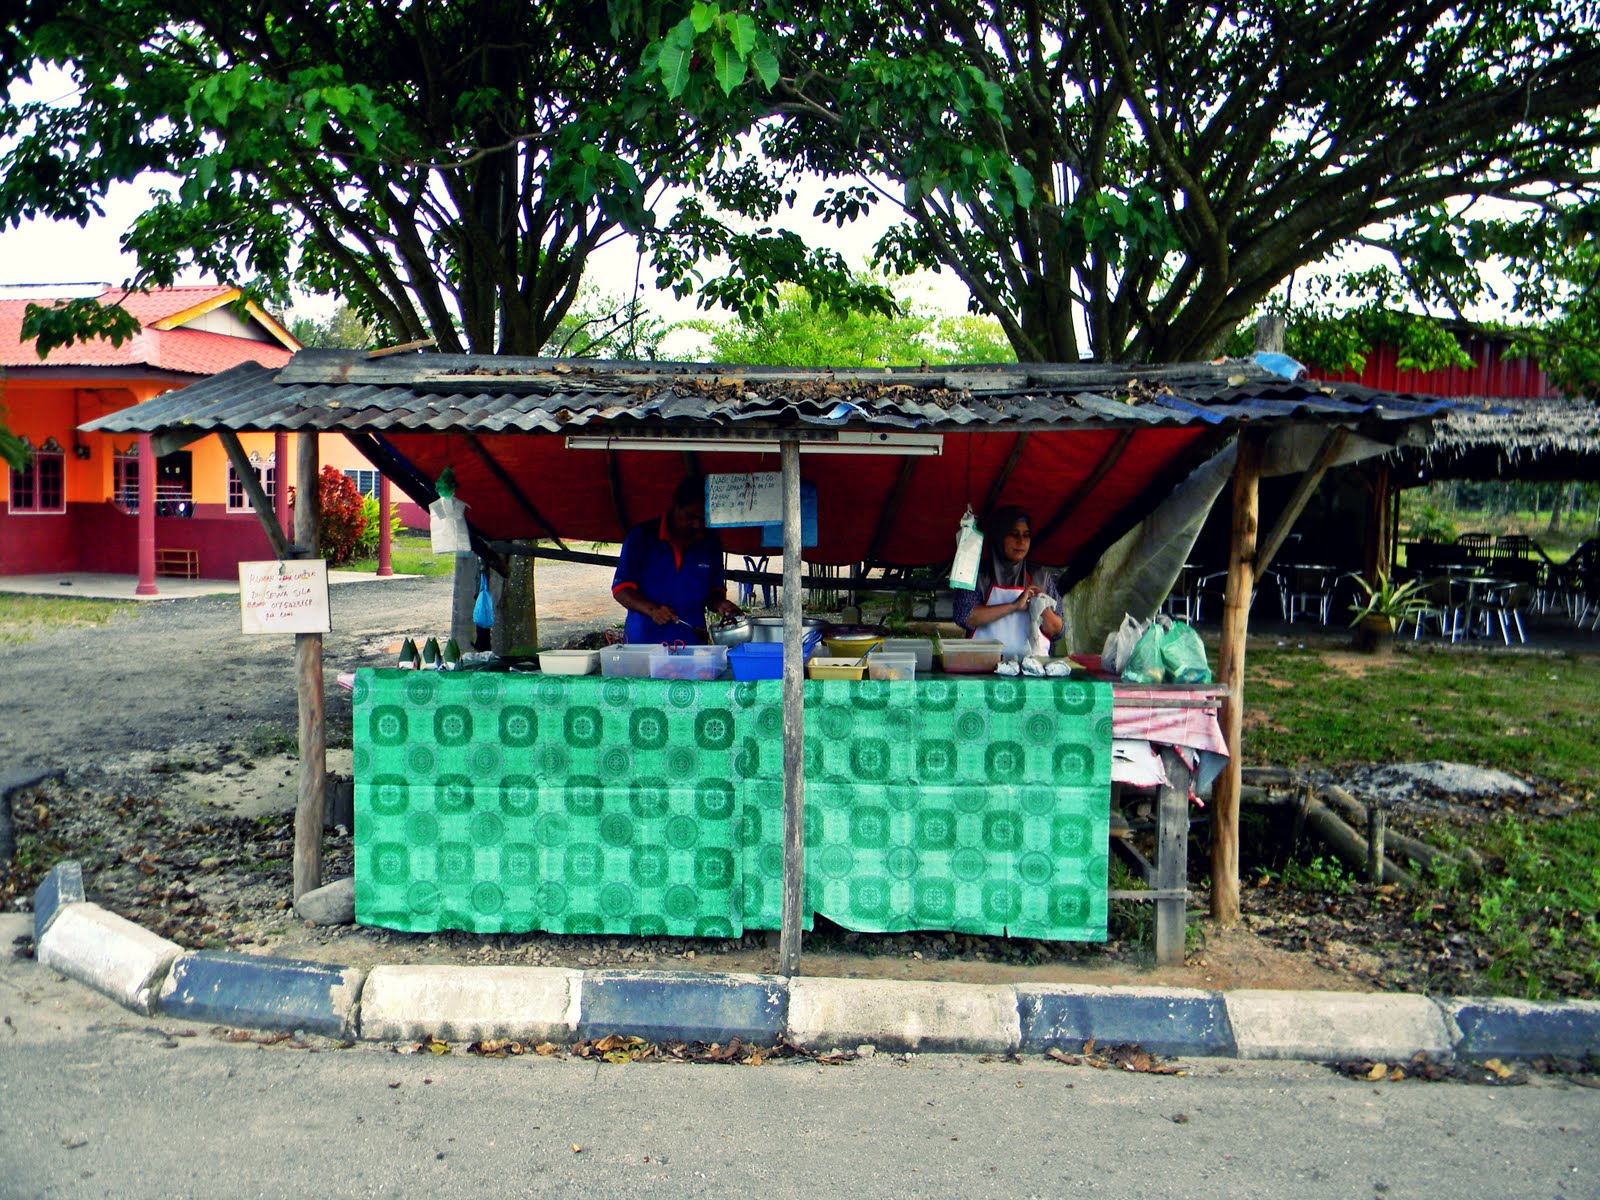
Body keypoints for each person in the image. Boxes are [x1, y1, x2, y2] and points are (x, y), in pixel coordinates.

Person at [612, 475, 743, 644]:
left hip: (692, 639)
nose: (696, 524)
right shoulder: (641, 537)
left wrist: (720, 604)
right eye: (691, 516)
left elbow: (714, 591)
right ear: (676, 506)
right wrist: (653, 611)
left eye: (703, 519)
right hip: (644, 640)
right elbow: (621, 589)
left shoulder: (710, 543)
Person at [951, 505, 1064, 657]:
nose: (1021, 541)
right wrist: (1014, 606)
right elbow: (965, 616)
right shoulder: (979, 574)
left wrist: (1042, 606)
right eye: (1014, 534)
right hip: (984, 667)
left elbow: (1058, 630)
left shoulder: (1039, 577)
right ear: (999, 536)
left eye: (1026, 535)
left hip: (1031, 669)